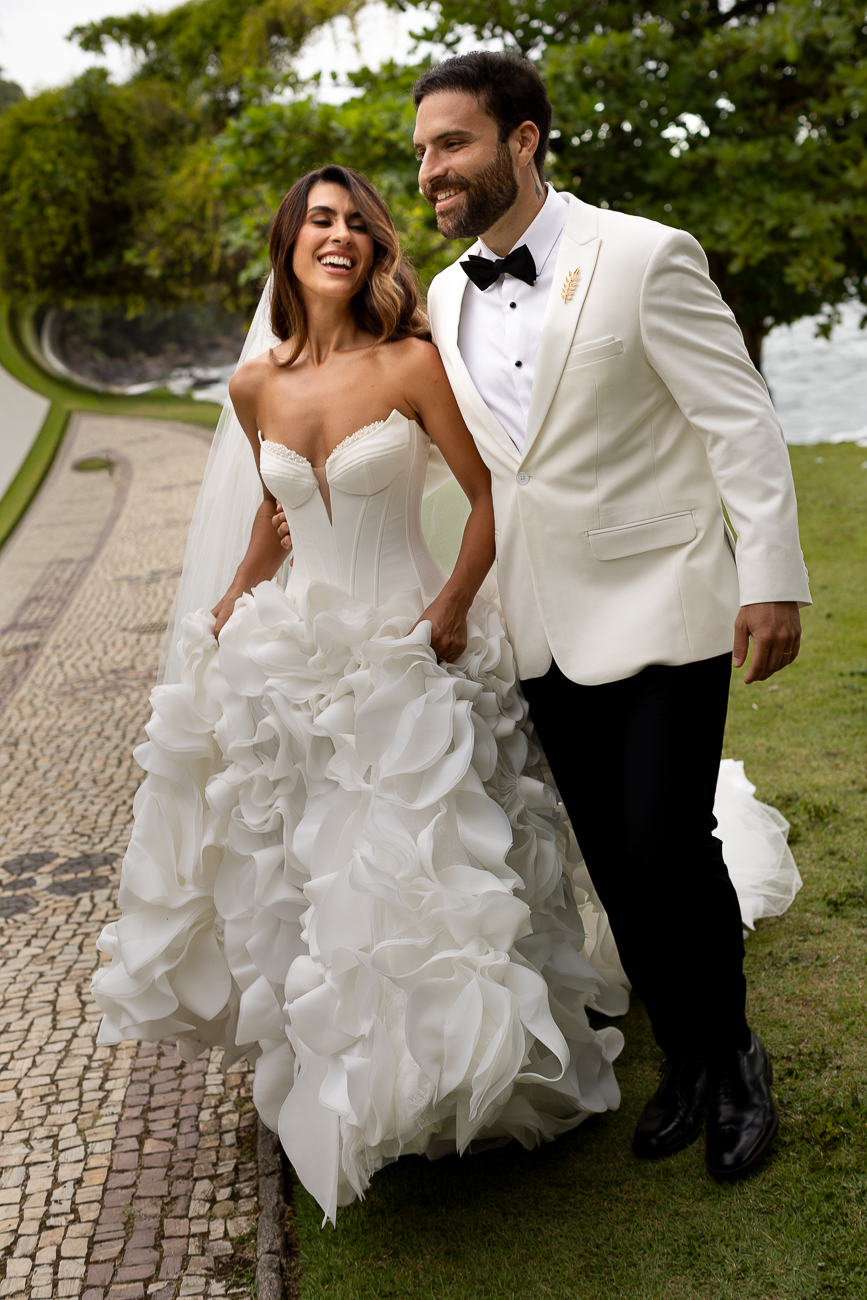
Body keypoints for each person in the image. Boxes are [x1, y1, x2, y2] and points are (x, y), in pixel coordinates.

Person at [92, 164, 630, 1226]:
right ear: (289, 245)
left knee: (427, 873)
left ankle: (468, 1071)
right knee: (318, 880)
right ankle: (356, 1084)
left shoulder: (411, 363)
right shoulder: (254, 386)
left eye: (356, 223)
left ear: (377, 247)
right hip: (297, 665)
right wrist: (229, 606)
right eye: (319, 221)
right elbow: (273, 525)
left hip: (410, 655)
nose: (339, 236)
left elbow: (487, 498)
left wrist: (452, 607)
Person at [408, 50, 811, 1182]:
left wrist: (771, 575)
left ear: (522, 140)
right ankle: (685, 1055)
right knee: (614, 862)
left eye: (452, 143)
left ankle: (734, 1055)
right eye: (424, 150)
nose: (430, 169)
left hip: (664, 594)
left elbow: (739, 420)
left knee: (664, 841)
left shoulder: (642, 254)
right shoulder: (446, 294)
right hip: (539, 615)